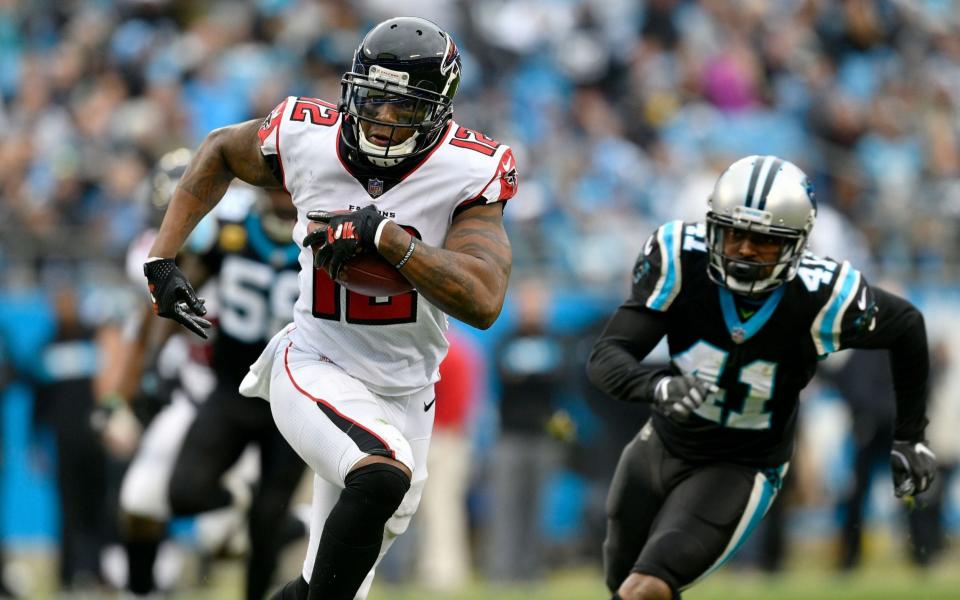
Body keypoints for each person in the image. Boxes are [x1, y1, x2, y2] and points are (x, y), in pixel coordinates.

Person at [141, 16, 517, 600]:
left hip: (408, 393)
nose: (382, 119)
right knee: (379, 472)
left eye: (404, 108)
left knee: (332, 589)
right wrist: (164, 260)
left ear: (439, 111)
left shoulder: (467, 171)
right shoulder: (307, 137)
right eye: (373, 100)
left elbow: (486, 298)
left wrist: (393, 243)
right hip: (315, 359)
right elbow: (217, 150)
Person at [586, 155, 936, 600]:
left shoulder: (820, 295)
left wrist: (910, 435)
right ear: (713, 226)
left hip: (741, 464)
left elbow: (906, 325)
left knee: (645, 589)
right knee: (620, 586)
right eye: (735, 235)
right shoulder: (680, 259)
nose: (747, 251)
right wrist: (658, 386)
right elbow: (607, 355)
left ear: (798, 244)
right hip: (661, 445)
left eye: (765, 242)